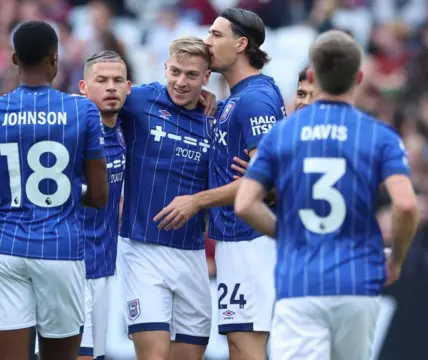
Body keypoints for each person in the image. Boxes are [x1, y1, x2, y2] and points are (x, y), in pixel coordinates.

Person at [235, 29, 419, 360]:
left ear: (313, 75)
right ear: (359, 77)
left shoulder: (282, 134)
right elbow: (406, 205)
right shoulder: (380, 135)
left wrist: (287, 233)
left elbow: (246, 203)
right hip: (358, 282)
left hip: (300, 281)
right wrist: (397, 259)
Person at [0, 20, 109, 360]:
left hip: (5, 247)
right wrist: (68, 192)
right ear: (54, 60)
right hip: (60, 248)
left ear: (14, 59)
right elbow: (99, 196)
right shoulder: (82, 110)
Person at [153, 8, 286, 360]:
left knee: (246, 343)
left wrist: (196, 201)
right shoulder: (236, 99)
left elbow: (263, 177)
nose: (208, 41)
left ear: (241, 44)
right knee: (240, 343)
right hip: (236, 239)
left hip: (250, 239)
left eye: (215, 34)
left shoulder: (255, 98)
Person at [117, 36, 214, 360]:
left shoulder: (216, 120)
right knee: (154, 355)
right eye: (175, 72)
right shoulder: (141, 100)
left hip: (192, 256)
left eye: (191, 75)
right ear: (165, 67)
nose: (181, 82)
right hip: (141, 251)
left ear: (206, 78)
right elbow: (93, 96)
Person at [76, 50, 129, 360]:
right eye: (102, 80)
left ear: (128, 86)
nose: (110, 87)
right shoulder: (73, 132)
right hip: (72, 263)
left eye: (117, 80)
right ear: (83, 87)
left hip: (103, 263)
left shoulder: (122, 128)